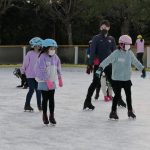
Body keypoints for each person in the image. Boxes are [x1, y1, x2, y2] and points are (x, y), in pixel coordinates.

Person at [96, 35, 146, 119]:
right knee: (117, 96)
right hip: (117, 79)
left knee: (128, 95)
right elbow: (107, 60)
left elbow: (136, 62)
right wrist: (100, 68)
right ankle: (113, 112)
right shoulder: (116, 53)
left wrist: (142, 69)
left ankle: (130, 111)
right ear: (121, 44)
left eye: (129, 45)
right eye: (127, 44)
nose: (128, 46)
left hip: (126, 78)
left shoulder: (129, 53)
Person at [83, 20, 126, 110]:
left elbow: (115, 52)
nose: (104, 29)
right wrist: (90, 64)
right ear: (100, 28)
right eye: (102, 27)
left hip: (109, 65)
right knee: (95, 82)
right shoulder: (96, 38)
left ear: (109, 28)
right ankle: (87, 102)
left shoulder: (111, 39)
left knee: (114, 82)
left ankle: (119, 100)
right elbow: (92, 52)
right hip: (99, 66)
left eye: (106, 27)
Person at [35, 39, 63, 125]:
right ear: (46, 48)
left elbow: (58, 68)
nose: (53, 50)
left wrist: (60, 78)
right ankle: (44, 115)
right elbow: (41, 70)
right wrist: (47, 80)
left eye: (54, 48)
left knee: (51, 99)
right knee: (45, 99)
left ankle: (51, 116)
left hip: (52, 81)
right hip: (43, 81)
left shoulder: (55, 57)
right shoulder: (42, 57)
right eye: (51, 48)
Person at [21, 37, 43, 111]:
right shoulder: (30, 53)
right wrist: (22, 72)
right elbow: (25, 63)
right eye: (37, 45)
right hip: (30, 75)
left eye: (39, 45)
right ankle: (27, 105)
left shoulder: (41, 54)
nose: (38, 47)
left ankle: (40, 105)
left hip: (38, 75)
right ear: (33, 46)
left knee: (39, 90)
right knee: (31, 90)